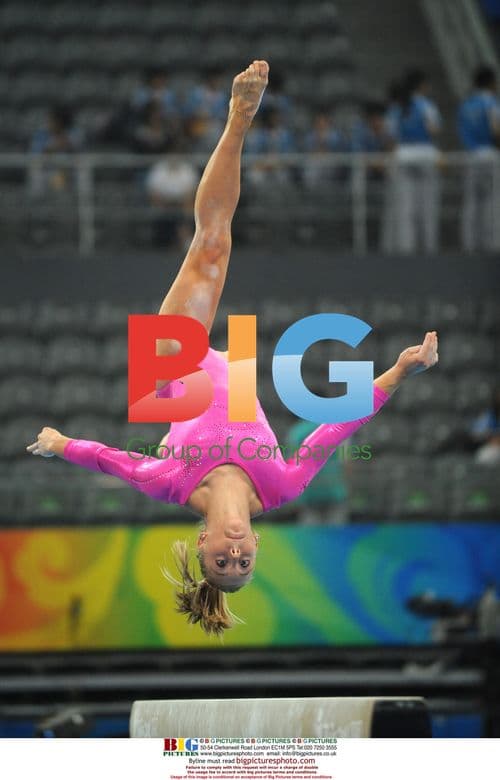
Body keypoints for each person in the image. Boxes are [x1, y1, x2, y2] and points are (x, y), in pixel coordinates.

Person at [27, 61, 439, 637]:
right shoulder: (280, 485)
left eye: (223, 562)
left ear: (202, 544)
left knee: (212, 244)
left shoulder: (170, 480)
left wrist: (59, 442)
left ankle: (237, 121)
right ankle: (240, 123)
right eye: (245, 563)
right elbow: (336, 429)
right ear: (258, 545)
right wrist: (397, 370)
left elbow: (109, 458)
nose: (236, 554)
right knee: (218, 249)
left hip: (169, 372)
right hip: (234, 373)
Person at [386, 69, 442, 253]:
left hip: (403, 155)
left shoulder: (397, 107)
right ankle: (429, 248)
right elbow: (434, 130)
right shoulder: (426, 106)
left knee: (405, 208)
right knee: (427, 206)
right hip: (425, 154)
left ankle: (406, 249)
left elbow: (391, 137)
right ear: (421, 85)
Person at [458, 65, 500, 252]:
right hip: (489, 155)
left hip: (471, 155)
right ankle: (492, 243)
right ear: (492, 82)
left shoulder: (466, 105)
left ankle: (469, 244)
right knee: (492, 201)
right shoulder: (491, 102)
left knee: (471, 203)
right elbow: (496, 129)